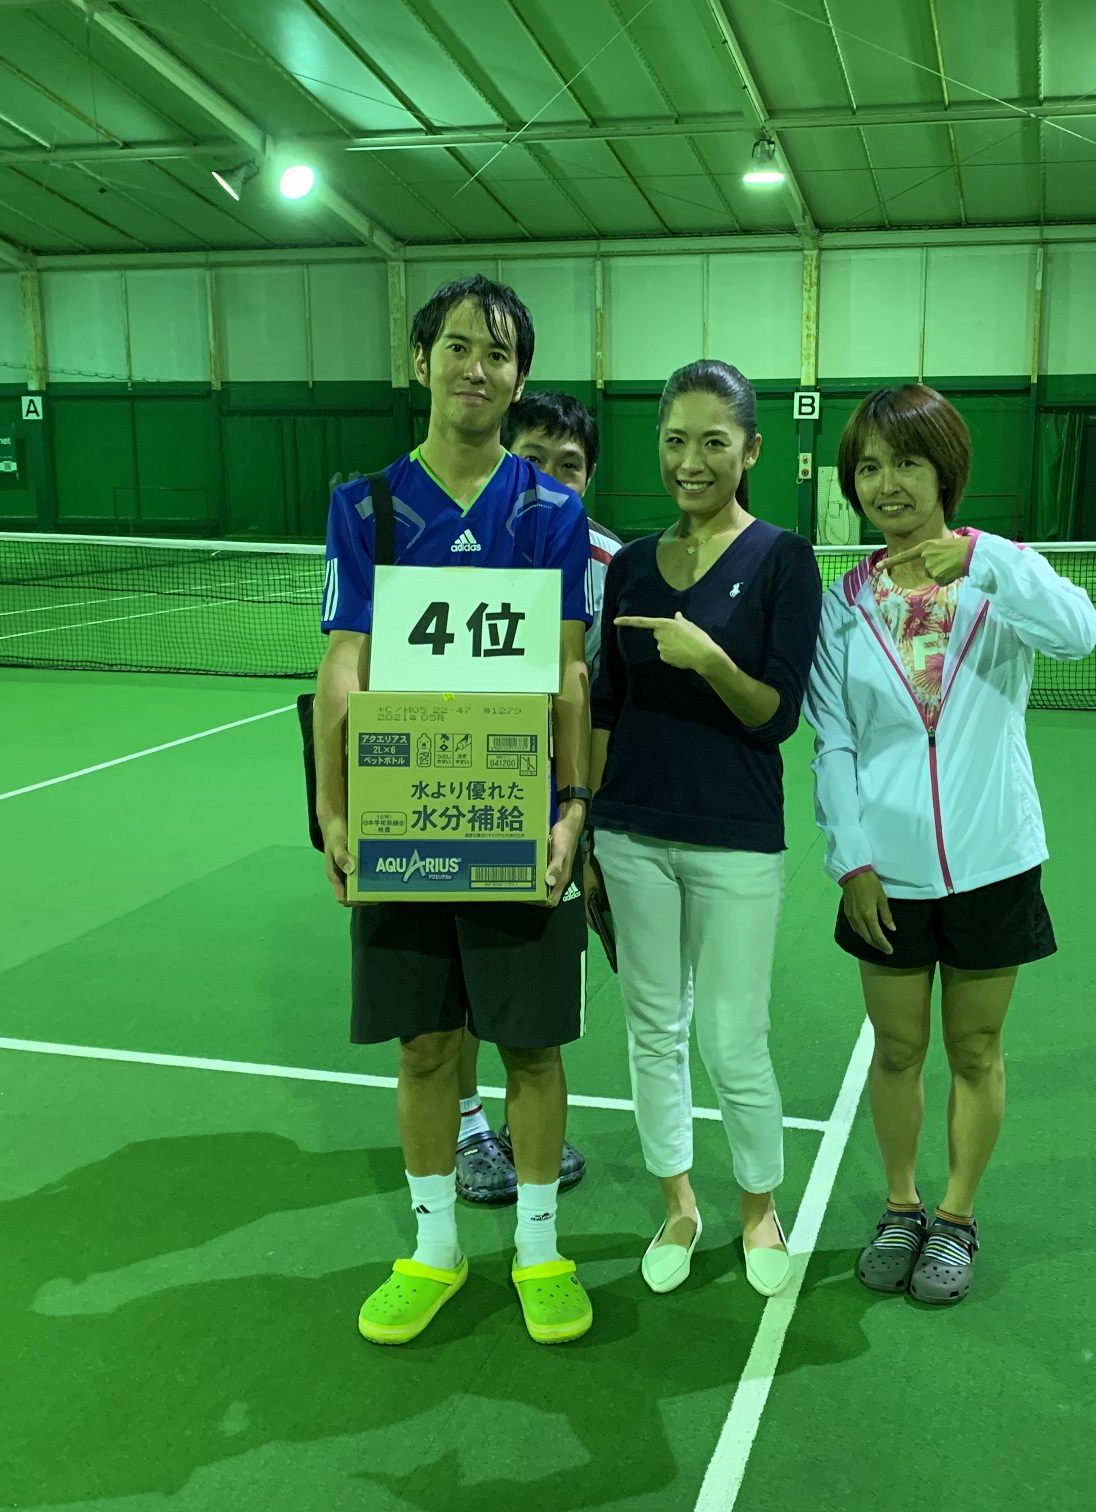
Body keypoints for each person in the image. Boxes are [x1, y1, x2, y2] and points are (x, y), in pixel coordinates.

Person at [313, 275, 596, 1347]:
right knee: (427, 1047)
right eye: (461, 347)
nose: (479, 368)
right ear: (421, 360)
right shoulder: (366, 507)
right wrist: (335, 810)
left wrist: (570, 810)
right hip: (405, 815)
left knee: (531, 1048)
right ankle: (434, 1250)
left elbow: (568, 674)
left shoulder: (550, 511)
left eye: (501, 354)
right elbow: (344, 665)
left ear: (519, 379)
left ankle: (539, 1251)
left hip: (516, 814)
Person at [805, 384, 1096, 1306]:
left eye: (907, 462)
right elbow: (833, 742)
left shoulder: (1000, 577)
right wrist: (851, 859)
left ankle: (958, 1216)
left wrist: (988, 560)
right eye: (869, 467)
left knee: (975, 1049)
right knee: (897, 1050)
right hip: (885, 873)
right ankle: (902, 1206)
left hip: (993, 862)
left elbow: (1080, 635)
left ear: (945, 472)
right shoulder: (844, 603)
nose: (886, 484)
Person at [587, 359, 822, 1298]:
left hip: (735, 837)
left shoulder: (784, 560)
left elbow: (776, 715)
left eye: (714, 442)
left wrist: (709, 658)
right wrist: (592, 830)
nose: (692, 461)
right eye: (676, 440)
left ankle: (759, 1209)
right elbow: (606, 705)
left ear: (751, 450)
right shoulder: (631, 565)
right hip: (630, 834)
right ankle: (678, 1205)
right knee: (654, 1030)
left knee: (733, 1040)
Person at [450, 389, 623, 1207]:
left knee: (532, 997)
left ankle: (527, 1132)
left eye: (570, 466)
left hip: (557, 812)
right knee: (454, 988)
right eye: (532, 460)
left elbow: (606, 706)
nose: (551, 479)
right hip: (459, 791)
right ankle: (465, 1127)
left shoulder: (610, 567)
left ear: (589, 478)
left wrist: (587, 825)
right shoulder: (454, 547)